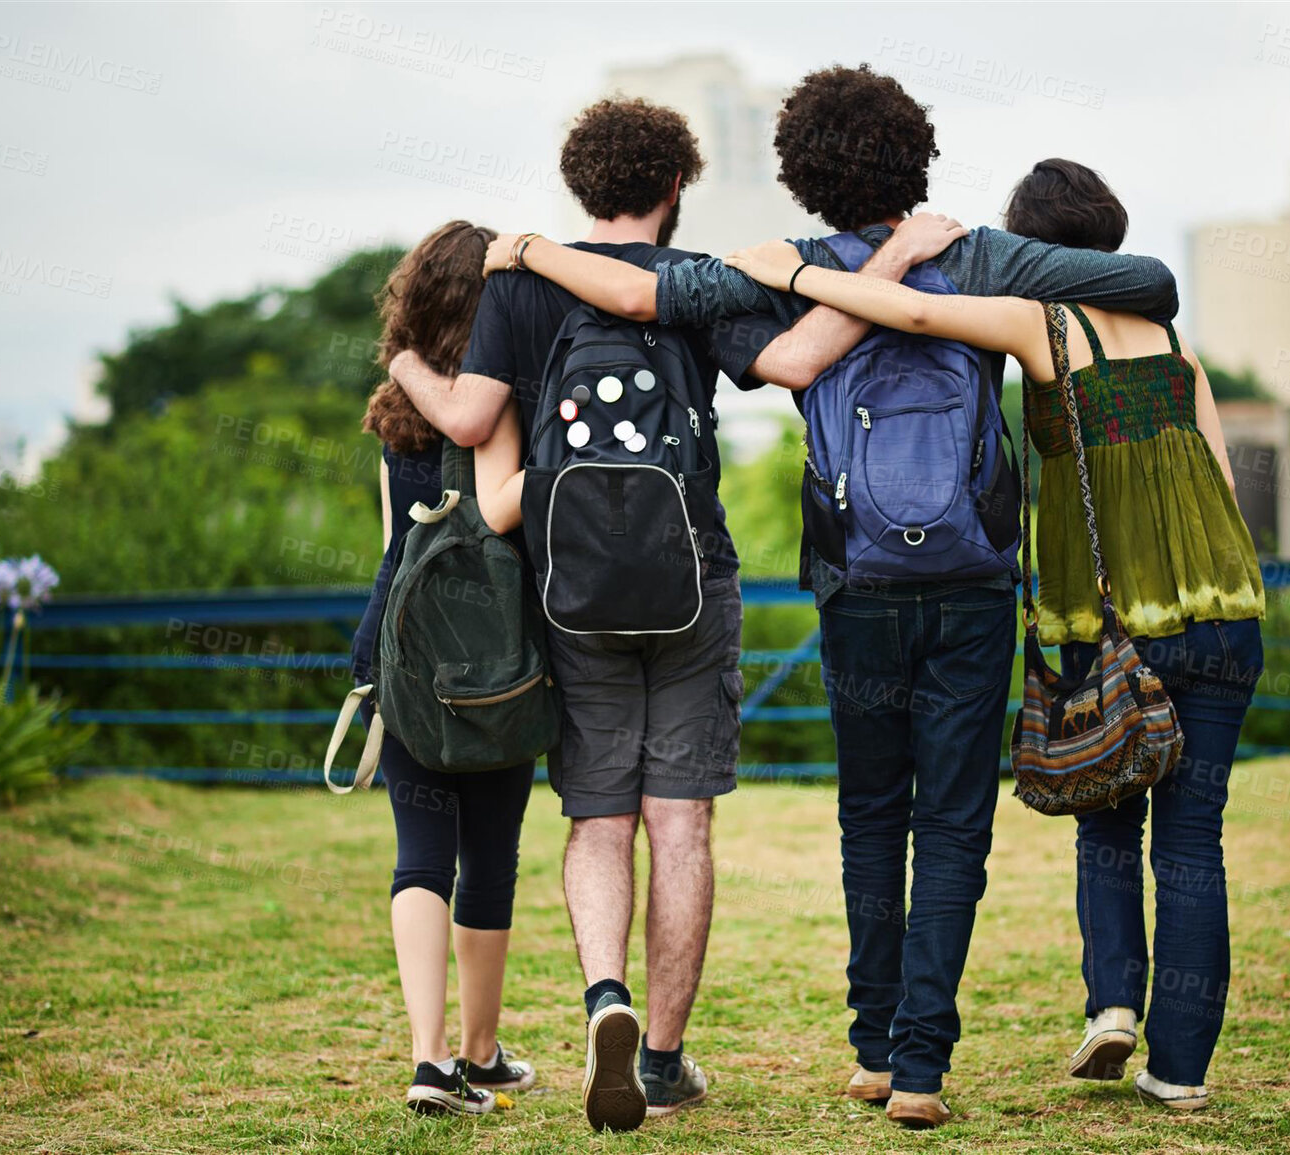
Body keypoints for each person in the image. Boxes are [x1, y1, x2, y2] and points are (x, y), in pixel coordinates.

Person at [475, 65, 1185, 1130]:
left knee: (867, 818)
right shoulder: (981, 256)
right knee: (949, 826)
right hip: (974, 580)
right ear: (918, 156)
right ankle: (916, 1068)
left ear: (800, 178)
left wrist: (525, 250)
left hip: (853, 583)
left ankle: (861, 1042)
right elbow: (1149, 282)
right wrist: (921, 259)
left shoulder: (780, 266)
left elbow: (643, 295)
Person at [388, 97, 913, 1131]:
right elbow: (801, 360)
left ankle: (603, 998)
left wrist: (405, 355)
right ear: (675, 188)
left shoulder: (522, 284)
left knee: (597, 816)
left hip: (568, 590)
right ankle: (663, 1061)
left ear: (581, 187)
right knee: (681, 821)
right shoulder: (693, 280)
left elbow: (465, 419)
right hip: (690, 580)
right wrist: (889, 268)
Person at [720, 155, 1266, 1114]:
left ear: (1030, 250)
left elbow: (922, 316)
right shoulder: (1182, 352)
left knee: (1106, 814)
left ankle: (1110, 1004)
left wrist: (798, 275)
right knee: (1193, 845)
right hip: (1224, 614)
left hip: (1117, 622)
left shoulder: (1040, 321)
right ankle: (1179, 1068)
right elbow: (1221, 484)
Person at [351, 220, 535, 1116]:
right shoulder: (499, 398)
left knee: (418, 853)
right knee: (489, 854)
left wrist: (378, 652)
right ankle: (479, 1050)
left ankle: (430, 1061)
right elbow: (498, 510)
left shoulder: (400, 405)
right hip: (489, 657)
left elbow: (394, 545)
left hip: (400, 643)